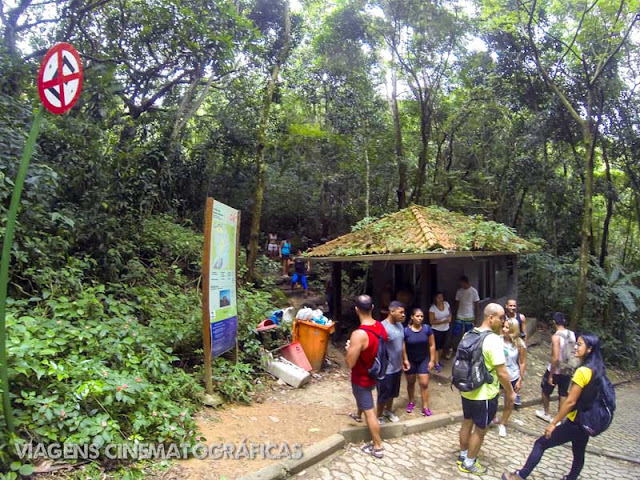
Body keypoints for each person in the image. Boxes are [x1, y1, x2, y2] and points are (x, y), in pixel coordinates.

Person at [502, 333, 605, 480]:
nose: (575, 347)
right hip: (586, 421)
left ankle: (520, 476)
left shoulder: (583, 372)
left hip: (575, 421)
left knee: (540, 444)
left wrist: (553, 423)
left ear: (589, 349)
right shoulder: (599, 370)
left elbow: (570, 402)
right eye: (576, 343)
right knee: (579, 452)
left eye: (580, 344)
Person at [457, 303, 515, 475]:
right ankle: (469, 462)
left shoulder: (469, 333)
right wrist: (511, 392)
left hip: (466, 388)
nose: (503, 321)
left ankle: (462, 455)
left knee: (467, 421)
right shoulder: (493, 341)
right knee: (481, 429)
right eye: (501, 318)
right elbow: (502, 372)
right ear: (491, 318)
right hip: (485, 393)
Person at [345, 295, 387, 459]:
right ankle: (357, 414)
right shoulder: (380, 327)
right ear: (372, 307)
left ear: (356, 310)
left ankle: (377, 446)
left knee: (370, 412)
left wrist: (350, 348)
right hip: (374, 373)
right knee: (365, 402)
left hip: (361, 377)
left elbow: (350, 362)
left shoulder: (359, 334)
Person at [535, 312, 576, 423]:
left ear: (554, 322)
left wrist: (551, 375)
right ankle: (559, 418)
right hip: (568, 369)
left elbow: (555, 358)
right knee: (563, 393)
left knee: (545, 390)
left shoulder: (556, 337)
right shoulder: (572, 334)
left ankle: (546, 413)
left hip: (556, 370)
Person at [376, 301, 405, 424]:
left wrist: (405, 360)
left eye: (404, 312)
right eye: (401, 312)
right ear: (391, 312)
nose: (403, 315)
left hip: (397, 367)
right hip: (386, 368)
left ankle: (389, 410)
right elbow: (377, 348)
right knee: (383, 394)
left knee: (393, 392)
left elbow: (402, 343)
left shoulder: (400, 326)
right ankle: (378, 416)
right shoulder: (383, 327)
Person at [403, 308, 435, 417]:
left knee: (424, 384)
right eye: (417, 316)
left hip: (423, 359)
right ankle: (411, 401)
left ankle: (425, 407)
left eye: (421, 316)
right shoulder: (406, 331)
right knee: (411, 382)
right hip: (411, 360)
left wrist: (432, 360)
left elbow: (432, 345)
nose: (420, 318)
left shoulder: (427, 329)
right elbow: (403, 347)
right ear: (412, 317)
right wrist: (405, 360)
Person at [496, 319, 526, 437]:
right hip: (498, 375)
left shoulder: (520, 344)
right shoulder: (497, 340)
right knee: (493, 398)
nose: (504, 329)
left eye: (507, 328)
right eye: (504, 326)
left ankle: (502, 424)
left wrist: (520, 379)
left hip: (512, 375)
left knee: (509, 402)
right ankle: (491, 417)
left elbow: (522, 362)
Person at [451, 276, 480, 356]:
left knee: (469, 333)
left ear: (466, 282)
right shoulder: (459, 291)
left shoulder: (473, 291)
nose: (461, 285)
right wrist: (454, 313)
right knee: (456, 332)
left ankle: (469, 348)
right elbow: (456, 303)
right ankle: (455, 348)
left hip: (470, 315)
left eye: (462, 283)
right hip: (460, 315)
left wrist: (476, 317)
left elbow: (476, 304)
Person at [428, 291, 451, 373]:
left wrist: (449, 318)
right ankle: (436, 363)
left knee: (441, 346)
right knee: (436, 347)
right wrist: (443, 321)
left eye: (441, 297)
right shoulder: (433, 308)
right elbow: (432, 321)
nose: (440, 299)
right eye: (438, 298)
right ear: (435, 299)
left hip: (446, 329)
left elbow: (449, 313)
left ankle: (438, 360)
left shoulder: (446, 304)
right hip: (436, 330)